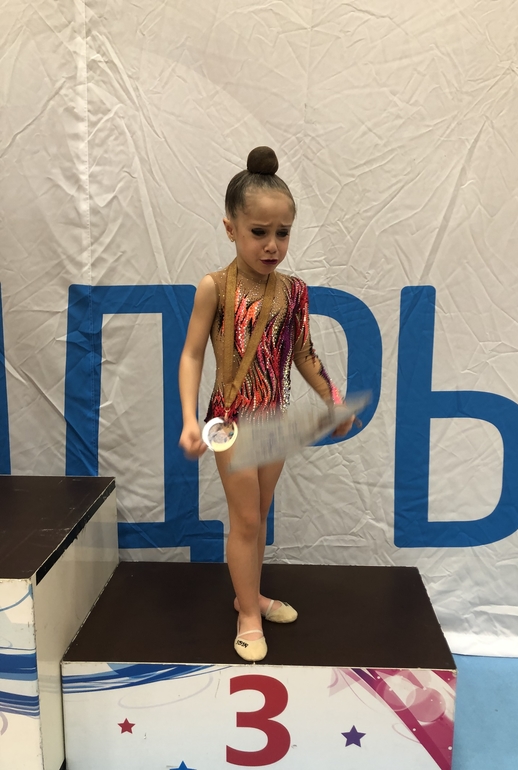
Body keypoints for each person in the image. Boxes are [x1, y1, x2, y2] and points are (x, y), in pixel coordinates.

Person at [178, 146, 353, 662]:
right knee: (247, 521)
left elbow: (303, 353)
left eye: (282, 233)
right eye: (259, 232)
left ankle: (248, 595)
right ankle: (249, 615)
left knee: (260, 514)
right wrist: (189, 419)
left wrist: (333, 400)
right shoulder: (215, 288)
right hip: (229, 421)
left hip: (272, 418)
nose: (272, 245)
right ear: (230, 228)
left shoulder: (293, 292)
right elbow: (191, 354)